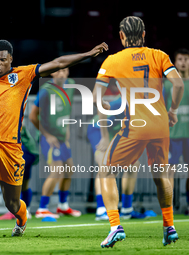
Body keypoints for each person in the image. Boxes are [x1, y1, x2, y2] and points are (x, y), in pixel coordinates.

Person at [0, 39, 108, 238]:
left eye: (2, 60)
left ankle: (21, 219)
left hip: (12, 147)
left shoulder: (23, 74)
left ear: (10, 59)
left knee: (12, 203)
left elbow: (58, 63)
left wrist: (88, 54)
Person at [93, 16, 184, 248]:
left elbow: (96, 96)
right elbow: (179, 84)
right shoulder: (159, 55)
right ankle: (169, 226)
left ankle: (115, 226)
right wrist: (172, 111)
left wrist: (105, 121)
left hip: (134, 126)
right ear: (144, 35)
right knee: (161, 176)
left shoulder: (112, 60)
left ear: (121, 36)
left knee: (105, 172)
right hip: (161, 126)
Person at [29, 68, 81, 219]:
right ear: (52, 73)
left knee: (69, 169)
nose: (62, 74)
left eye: (65, 71)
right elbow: (33, 116)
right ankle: (42, 208)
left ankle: (63, 206)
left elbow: (66, 110)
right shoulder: (45, 91)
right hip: (49, 138)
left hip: (62, 137)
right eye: (58, 71)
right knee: (57, 170)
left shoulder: (70, 85)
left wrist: (67, 130)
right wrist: (47, 135)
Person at [88, 94, 147, 220]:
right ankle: (101, 210)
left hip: (117, 131)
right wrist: (104, 137)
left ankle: (126, 210)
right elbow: (101, 111)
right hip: (99, 129)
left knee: (133, 165)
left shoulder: (147, 104)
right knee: (104, 164)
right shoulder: (124, 101)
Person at [0, 125, 39, 220]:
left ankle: (16, 210)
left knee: (6, 177)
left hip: (23, 150)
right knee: (23, 184)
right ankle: (25, 210)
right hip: (30, 151)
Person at [164, 48, 189, 211]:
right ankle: (169, 207)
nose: (184, 62)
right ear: (175, 62)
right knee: (170, 171)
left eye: (186, 59)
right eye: (180, 59)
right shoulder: (168, 84)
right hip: (172, 135)